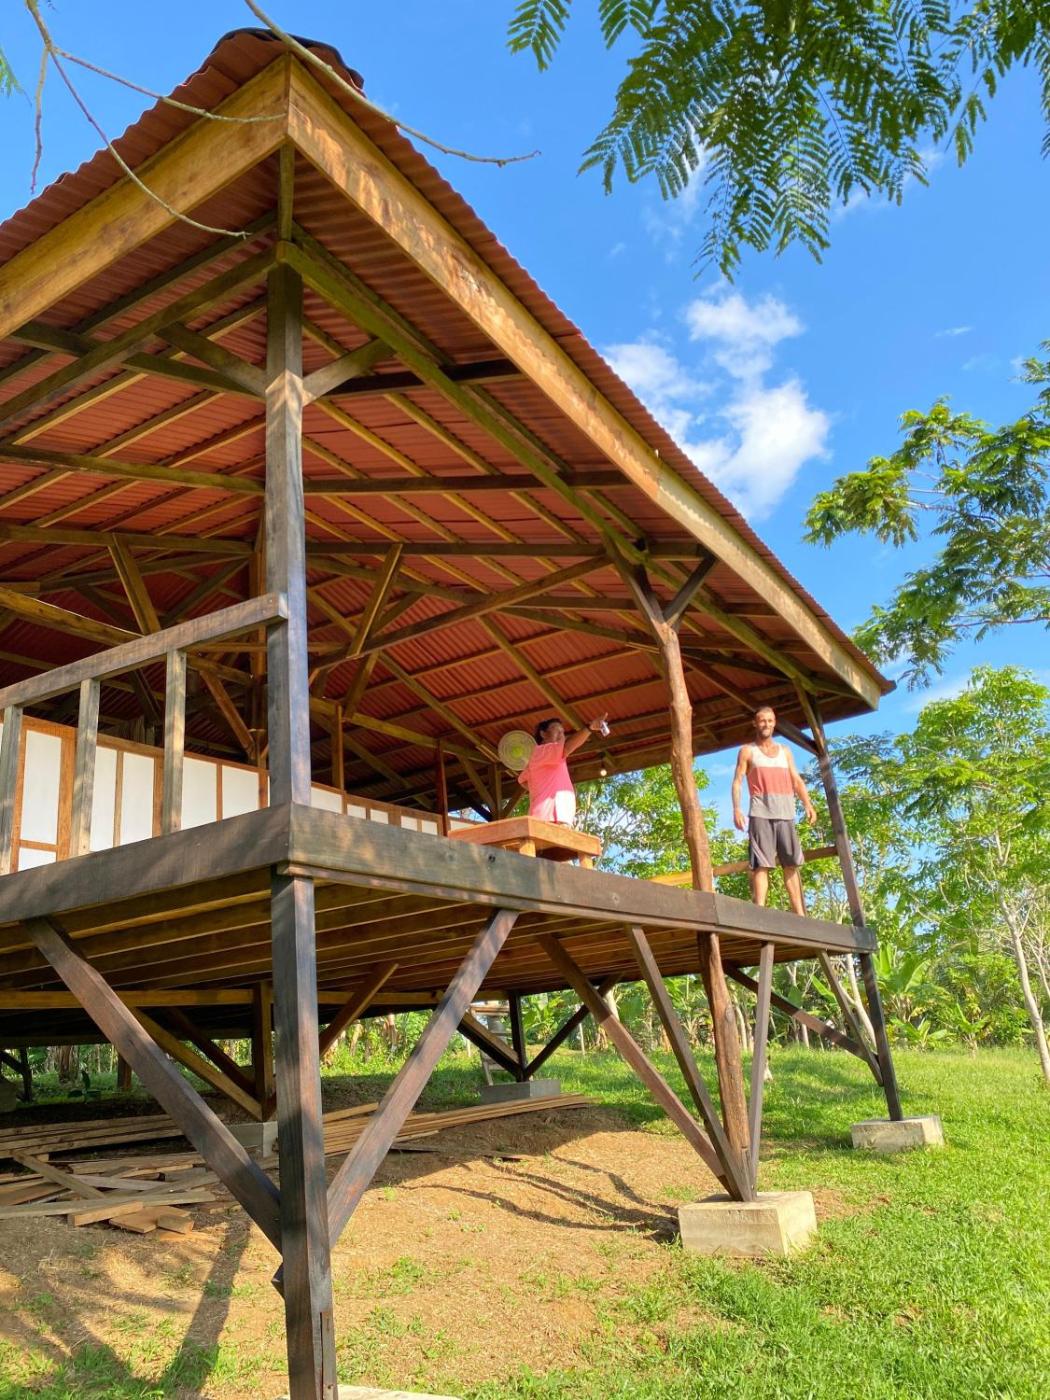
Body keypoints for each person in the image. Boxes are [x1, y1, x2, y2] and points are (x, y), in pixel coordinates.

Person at [731, 705, 817, 916]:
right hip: (761, 813)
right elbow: (738, 781)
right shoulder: (747, 751)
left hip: (786, 813)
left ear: (775, 723)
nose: (766, 724)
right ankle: (760, 912)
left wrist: (808, 804)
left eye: (770, 721)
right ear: (755, 723)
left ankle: (800, 915)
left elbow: (796, 780)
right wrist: (736, 809)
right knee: (761, 864)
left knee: (791, 864)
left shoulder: (785, 751)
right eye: (762, 720)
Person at [518, 714, 609, 826]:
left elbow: (522, 780)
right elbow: (567, 747)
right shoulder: (542, 751)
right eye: (556, 730)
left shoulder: (542, 757)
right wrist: (590, 728)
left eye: (562, 731)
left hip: (552, 818)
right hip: (549, 818)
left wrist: (541, 791)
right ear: (543, 734)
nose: (561, 734)